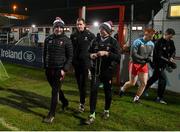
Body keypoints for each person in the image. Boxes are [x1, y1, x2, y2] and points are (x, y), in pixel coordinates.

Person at [85, 21, 121, 125]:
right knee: (93, 91)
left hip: (108, 72)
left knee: (107, 92)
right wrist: (91, 55)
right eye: (101, 28)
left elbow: (118, 58)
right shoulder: (95, 40)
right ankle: (92, 114)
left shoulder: (113, 42)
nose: (102, 30)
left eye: (104, 29)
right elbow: (87, 53)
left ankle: (106, 110)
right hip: (96, 71)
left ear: (109, 31)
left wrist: (107, 53)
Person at [43, 17, 73, 123]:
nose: (59, 29)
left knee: (54, 91)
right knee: (56, 89)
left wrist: (64, 69)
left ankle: (51, 115)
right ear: (53, 28)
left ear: (63, 28)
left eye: (61, 27)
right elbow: (44, 53)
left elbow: (70, 57)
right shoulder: (48, 39)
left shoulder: (66, 40)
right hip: (49, 69)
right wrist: (45, 66)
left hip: (59, 70)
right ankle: (64, 101)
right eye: (57, 27)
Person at [119, 28, 155, 103]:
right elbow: (134, 54)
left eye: (152, 36)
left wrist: (150, 60)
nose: (151, 38)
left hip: (143, 65)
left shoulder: (151, 44)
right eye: (150, 36)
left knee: (144, 83)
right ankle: (122, 89)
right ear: (146, 33)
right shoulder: (137, 42)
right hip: (134, 63)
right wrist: (144, 58)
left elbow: (150, 55)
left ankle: (136, 98)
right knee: (132, 83)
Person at [144, 28, 176, 104]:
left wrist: (171, 57)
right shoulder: (159, 42)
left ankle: (143, 89)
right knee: (163, 80)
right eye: (170, 36)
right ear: (166, 34)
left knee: (154, 78)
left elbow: (173, 51)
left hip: (164, 64)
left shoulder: (171, 42)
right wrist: (169, 61)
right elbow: (159, 55)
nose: (171, 38)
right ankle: (159, 98)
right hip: (157, 64)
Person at [70, 18, 95, 112]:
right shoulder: (73, 35)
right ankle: (83, 99)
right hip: (76, 64)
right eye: (77, 24)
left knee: (83, 84)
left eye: (80, 24)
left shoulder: (90, 35)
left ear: (84, 25)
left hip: (85, 64)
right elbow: (71, 50)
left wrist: (91, 59)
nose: (79, 26)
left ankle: (82, 104)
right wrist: (72, 63)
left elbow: (94, 48)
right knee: (79, 85)